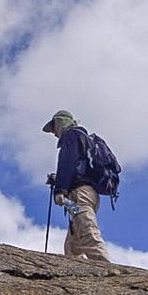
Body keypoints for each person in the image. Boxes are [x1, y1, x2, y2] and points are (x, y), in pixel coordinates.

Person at [43, 109, 110, 262]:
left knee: (87, 230)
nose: (53, 132)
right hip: (86, 195)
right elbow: (79, 167)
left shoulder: (71, 135)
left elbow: (68, 162)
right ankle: (75, 269)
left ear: (60, 122)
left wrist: (60, 189)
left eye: (53, 127)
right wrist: (58, 179)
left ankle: (106, 266)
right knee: (74, 242)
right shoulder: (83, 138)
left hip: (80, 195)